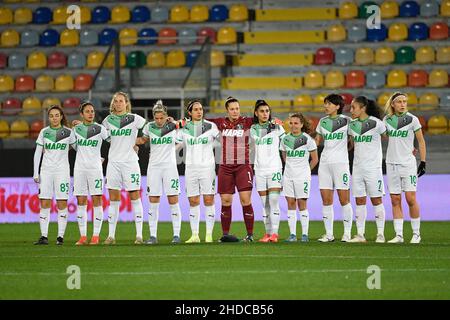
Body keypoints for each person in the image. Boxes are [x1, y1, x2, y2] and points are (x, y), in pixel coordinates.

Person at [207, 97, 256, 242]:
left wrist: (274, 121)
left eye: (237, 108)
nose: (235, 111)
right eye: (232, 109)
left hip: (243, 165)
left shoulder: (247, 122)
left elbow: (264, 119)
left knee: (245, 199)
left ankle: (250, 235)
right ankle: (225, 235)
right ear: (227, 110)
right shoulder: (219, 122)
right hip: (225, 166)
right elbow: (200, 120)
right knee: (226, 200)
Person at [101, 92, 146, 245]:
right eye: (116, 101)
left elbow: (149, 130)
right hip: (113, 163)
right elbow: (106, 138)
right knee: (113, 198)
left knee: (135, 196)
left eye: (121, 101)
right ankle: (111, 236)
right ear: (113, 104)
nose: (118, 103)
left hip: (130, 163)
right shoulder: (107, 121)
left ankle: (139, 235)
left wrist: (138, 142)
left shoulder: (135, 119)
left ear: (126, 103)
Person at [136, 100, 182, 244]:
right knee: (153, 200)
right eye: (156, 118)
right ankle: (153, 236)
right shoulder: (149, 127)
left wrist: (174, 121)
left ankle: (176, 235)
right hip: (154, 167)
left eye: (162, 117)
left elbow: (186, 125)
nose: (159, 120)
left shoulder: (173, 126)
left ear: (166, 116)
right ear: (153, 117)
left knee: (173, 200)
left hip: (170, 167)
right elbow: (142, 140)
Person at [383, 92, 426, 244]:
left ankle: (416, 233)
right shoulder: (387, 120)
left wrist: (423, 161)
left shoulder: (413, 119)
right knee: (395, 199)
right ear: (393, 104)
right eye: (399, 101)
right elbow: (386, 138)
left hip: (408, 164)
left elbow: (421, 141)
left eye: (404, 101)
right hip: (391, 163)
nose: (402, 104)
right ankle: (399, 235)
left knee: (410, 198)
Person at [176, 100, 220, 243]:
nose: (199, 111)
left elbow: (222, 141)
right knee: (193, 201)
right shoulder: (184, 129)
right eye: (195, 109)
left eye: (200, 109)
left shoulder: (211, 126)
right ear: (190, 112)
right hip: (191, 168)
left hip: (207, 168)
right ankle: (195, 235)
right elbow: (177, 144)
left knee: (208, 199)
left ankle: (208, 235)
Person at [33, 105, 76, 245]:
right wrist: (35, 172)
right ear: (49, 118)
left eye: (57, 115)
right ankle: (44, 236)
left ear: (62, 116)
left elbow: (79, 148)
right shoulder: (44, 132)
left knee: (62, 202)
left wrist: (95, 158)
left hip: (62, 172)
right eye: (51, 116)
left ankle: (60, 237)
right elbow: (38, 152)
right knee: (44, 203)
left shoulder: (69, 133)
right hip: (46, 171)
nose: (54, 118)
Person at [348, 96, 387, 243]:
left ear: (363, 108)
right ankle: (360, 234)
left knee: (376, 199)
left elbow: (387, 137)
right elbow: (352, 144)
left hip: (373, 168)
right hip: (357, 167)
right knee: (359, 200)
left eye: (353, 107)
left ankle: (380, 234)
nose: (351, 110)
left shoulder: (377, 123)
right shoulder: (352, 125)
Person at [315, 94, 353, 242]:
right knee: (326, 200)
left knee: (344, 199)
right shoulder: (322, 122)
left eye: (329, 104)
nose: (326, 106)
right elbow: (317, 142)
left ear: (338, 106)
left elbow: (353, 140)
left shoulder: (347, 121)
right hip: (324, 164)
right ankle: (329, 234)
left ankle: (347, 233)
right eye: (325, 104)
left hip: (341, 164)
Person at [72, 102, 109, 245]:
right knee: (81, 201)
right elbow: (74, 146)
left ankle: (95, 235)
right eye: (87, 111)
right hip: (80, 169)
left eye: (92, 111)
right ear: (82, 114)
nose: (90, 113)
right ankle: (82, 236)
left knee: (97, 200)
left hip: (95, 169)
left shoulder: (100, 129)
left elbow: (112, 141)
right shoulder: (76, 129)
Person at [249, 100, 285, 243]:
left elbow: (286, 143)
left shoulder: (277, 127)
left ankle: (275, 234)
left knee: (274, 201)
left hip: (274, 168)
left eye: (267, 111)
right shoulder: (252, 129)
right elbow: (250, 146)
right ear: (256, 113)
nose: (265, 114)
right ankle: (267, 233)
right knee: (264, 204)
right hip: (260, 169)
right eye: (262, 111)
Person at [280, 113, 318, 242]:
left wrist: (306, 170)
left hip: (302, 177)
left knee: (302, 204)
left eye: (296, 123)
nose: (293, 125)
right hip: (288, 176)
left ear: (301, 124)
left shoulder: (308, 139)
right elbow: (285, 156)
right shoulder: (285, 139)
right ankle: (292, 235)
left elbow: (314, 159)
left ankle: (305, 235)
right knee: (290, 203)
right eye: (291, 123)